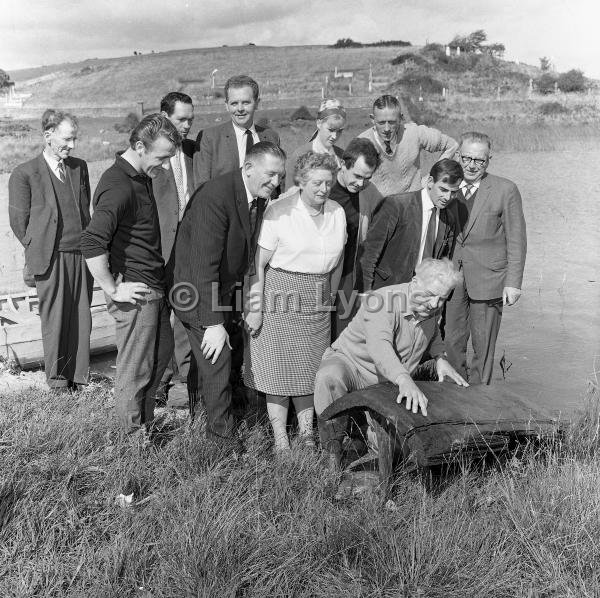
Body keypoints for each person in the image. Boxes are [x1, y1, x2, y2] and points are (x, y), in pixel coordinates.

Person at [172, 142, 286, 452]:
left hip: (225, 290)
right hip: (194, 292)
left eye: (280, 176)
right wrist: (212, 323)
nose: (276, 183)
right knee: (218, 358)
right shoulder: (215, 196)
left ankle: (208, 417)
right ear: (248, 168)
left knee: (227, 358)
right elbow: (202, 265)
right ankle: (220, 445)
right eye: (270, 175)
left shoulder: (257, 195)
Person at [314, 258, 468, 468]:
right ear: (414, 283)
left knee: (397, 454)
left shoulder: (431, 307)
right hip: (354, 366)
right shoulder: (382, 301)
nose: (434, 304)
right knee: (329, 377)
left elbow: (433, 336)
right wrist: (404, 379)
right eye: (431, 295)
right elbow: (380, 347)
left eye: (442, 299)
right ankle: (331, 452)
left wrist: (440, 358)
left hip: (387, 381)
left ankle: (360, 428)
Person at [81, 114, 180, 435]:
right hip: (135, 293)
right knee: (134, 371)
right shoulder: (118, 185)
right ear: (139, 146)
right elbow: (92, 240)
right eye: (161, 157)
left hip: (154, 289)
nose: (164, 165)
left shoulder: (139, 176)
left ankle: (144, 430)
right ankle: (131, 444)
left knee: (158, 360)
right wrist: (112, 288)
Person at [243, 152, 346, 453]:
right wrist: (255, 308)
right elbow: (258, 264)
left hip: (317, 299)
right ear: (301, 181)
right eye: (316, 182)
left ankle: (306, 433)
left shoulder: (337, 212)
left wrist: (330, 298)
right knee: (277, 370)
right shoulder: (279, 211)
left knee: (309, 370)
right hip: (279, 295)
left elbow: (338, 264)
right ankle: (280, 439)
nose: (323, 189)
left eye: (328, 182)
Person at [9, 109, 93, 392]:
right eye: (68, 139)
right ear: (48, 136)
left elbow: (85, 211)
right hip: (50, 258)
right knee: (55, 321)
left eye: (75, 139)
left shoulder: (79, 167)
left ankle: (79, 379)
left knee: (82, 318)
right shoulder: (25, 173)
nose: (73, 145)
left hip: (81, 255)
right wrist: (40, 248)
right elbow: (19, 224)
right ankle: (58, 385)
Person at [445, 132, 527, 385]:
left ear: (488, 161)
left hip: (489, 279)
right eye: (467, 157)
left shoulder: (506, 189)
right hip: (452, 279)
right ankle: (451, 397)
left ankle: (479, 406)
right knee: (451, 342)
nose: (471, 165)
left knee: (483, 347)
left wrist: (513, 283)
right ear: (458, 156)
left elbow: (517, 239)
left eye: (479, 160)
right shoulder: (446, 185)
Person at [152, 91, 196, 408]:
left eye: (190, 120)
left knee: (185, 313)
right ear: (164, 116)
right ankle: (157, 383)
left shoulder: (194, 153)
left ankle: (184, 383)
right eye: (181, 119)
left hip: (188, 249)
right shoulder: (151, 159)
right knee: (157, 319)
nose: (186, 126)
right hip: (159, 252)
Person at [361, 159, 464, 291]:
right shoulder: (396, 205)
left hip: (423, 294)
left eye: (453, 192)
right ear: (430, 182)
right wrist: (366, 293)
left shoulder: (449, 218)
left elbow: (442, 262)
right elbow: (369, 254)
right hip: (388, 290)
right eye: (443, 190)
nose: (447, 197)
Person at [327, 137, 382, 338]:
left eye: (367, 178)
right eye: (357, 176)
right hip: (319, 272)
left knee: (343, 334)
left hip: (349, 273)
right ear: (343, 163)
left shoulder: (369, 192)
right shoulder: (322, 186)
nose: (361, 183)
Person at [358, 95, 458, 196]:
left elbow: (452, 145)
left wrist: (431, 178)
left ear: (401, 118)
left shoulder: (414, 133)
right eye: (381, 123)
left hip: (412, 206)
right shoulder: (361, 143)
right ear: (372, 119)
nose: (387, 128)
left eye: (392, 122)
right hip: (377, 209)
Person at [194, 75, 280, 187]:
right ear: (226, 105)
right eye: (234, 103)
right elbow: (202, 187)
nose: (240, 109)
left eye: (245, 103)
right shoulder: (210, 138)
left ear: (257, 103)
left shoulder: (271, 137)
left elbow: (279, 180)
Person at [285, 98, 346, 187]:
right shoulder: (299, 156)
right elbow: (289, 195)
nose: (334, 136)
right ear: (319, 123)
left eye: (339, 131)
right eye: (331, 130)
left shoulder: (342, 156)